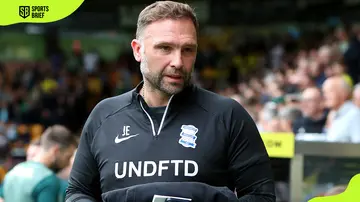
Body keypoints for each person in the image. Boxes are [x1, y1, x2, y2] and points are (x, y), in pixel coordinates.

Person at [66, 1, 275, 202]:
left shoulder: (228, 115)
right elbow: (78, 192)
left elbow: (262, 196)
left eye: (188, 50)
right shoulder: (104, 115)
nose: (178, 62)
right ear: (138, 50)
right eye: (165, 48)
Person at [0, 125, 77, 202]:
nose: (68, 162)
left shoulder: (13, 172)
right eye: (68, 156)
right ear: (56, 151)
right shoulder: (48, 180)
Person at [322, 76, 360, 142]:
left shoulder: (355, 115)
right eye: (324, 92)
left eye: (329, 91)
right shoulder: (334, 114)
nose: (325, 96)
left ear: (343, 93)